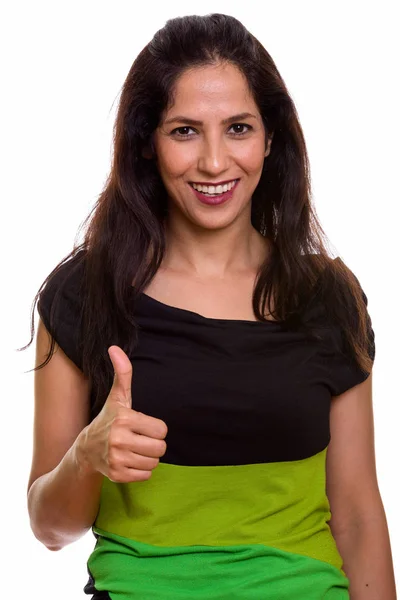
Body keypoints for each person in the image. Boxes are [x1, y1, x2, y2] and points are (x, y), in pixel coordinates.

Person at [24, 13, 397, 600]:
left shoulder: (330, 298)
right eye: (185, 131)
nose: (216, 163)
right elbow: (49, 528)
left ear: (271, 138)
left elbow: (356, 514)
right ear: (148, 143)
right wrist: (87, 456)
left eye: (239, 128)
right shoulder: (83, 295)